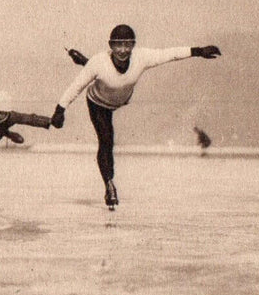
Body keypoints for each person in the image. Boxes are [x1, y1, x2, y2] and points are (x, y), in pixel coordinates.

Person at [56, 24, 221, 210]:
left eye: (128, 45)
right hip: (98, 103)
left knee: (104, 73)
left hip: (119, 97)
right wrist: (60, 110)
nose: (123, 50)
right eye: (118, 45)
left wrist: (198, 51)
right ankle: (109, 184)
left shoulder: (141, 57)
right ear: (110, 45)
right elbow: (76, 87)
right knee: (106, 140)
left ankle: (85, 63)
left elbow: (169, 54)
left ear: (134, 45)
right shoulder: (98, 62)